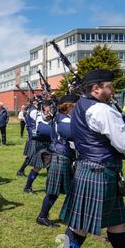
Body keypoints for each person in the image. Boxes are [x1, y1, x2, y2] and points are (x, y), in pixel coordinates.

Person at [57, 69, 125, 248]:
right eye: (109, 87)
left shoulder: (81, 105)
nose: (112, 90)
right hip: (100, 172)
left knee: (117, 222)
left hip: (91, 169)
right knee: (79, 227)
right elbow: (122, 144)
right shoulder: (102, 110)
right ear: (95, 89)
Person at [36, 94, 79, 228]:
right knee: (54, 191)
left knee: (74, 189)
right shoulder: (63, 120)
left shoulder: (64, 117)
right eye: (77, 106)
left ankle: (72, 216)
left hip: (64, 156)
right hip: (61, 156)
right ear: (69, 106)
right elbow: (74, 135)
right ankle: (42, 216)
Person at [22, 100, 53, 193]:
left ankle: (50, 187)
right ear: (44, 107)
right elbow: (44, 121)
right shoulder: (38, 115)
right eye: (49, 106)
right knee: (37, 167)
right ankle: (27, 187)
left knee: (50, 168)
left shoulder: (53, 116)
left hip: (50, 144)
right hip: (41, 144)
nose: (50, 108)